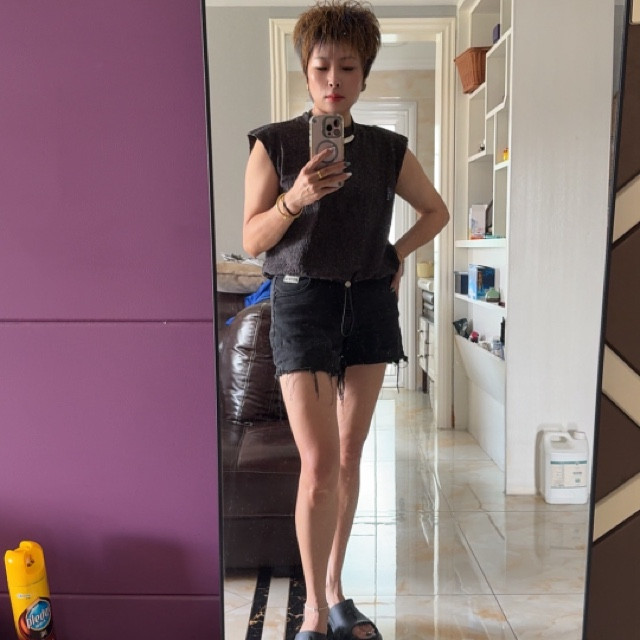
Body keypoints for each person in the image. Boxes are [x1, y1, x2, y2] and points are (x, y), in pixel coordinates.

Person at [242, 2, 449, 638]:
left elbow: (436, 212)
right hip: (302, 302)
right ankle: (311, 609)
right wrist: (295, 198)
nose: (334, 80)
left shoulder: (387, 149)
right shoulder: (274, 143)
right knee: (319, 463)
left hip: (368, 302)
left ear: (365, 74)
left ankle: (334, 589)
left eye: (348, 67)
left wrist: (395, 255)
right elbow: (252, 240)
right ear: (305, 71)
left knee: (352, 455)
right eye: (322, 66)